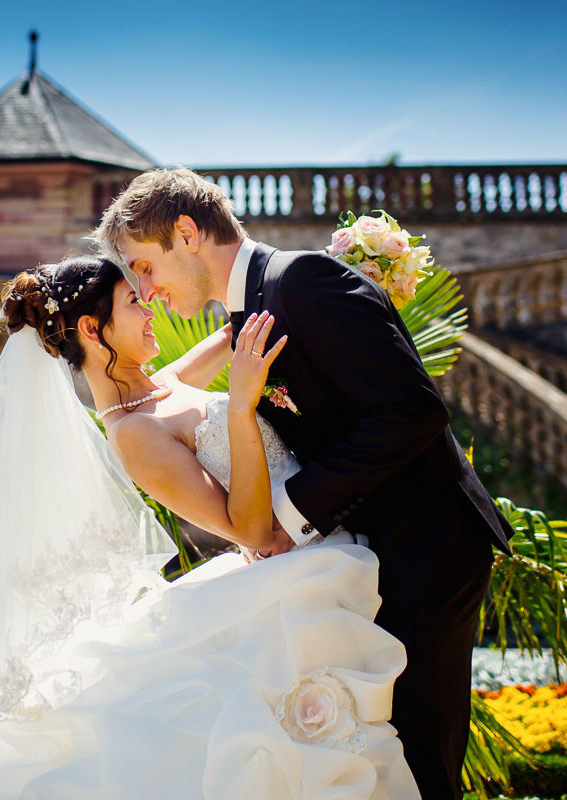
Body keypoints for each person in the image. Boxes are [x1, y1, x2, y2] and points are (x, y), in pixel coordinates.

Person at [0, 256, 421, 799]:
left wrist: (344, 273)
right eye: (132, 300)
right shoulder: (133, 435)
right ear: (90, 329)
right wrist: (241, 408)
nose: (149, 305)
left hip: (322, 540)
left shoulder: (159, 389)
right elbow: (248, 529)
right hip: (292, 570)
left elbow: (238, 331)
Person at [93, 168, 514, 800]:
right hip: (366, 553)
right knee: (380, 760)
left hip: (423, 548)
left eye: (144, 267)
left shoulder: (303, 281)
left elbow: (414, 412)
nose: (145, 291)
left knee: (421, 760)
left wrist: (291, 515)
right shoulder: (251, 309)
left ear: (186, 233)